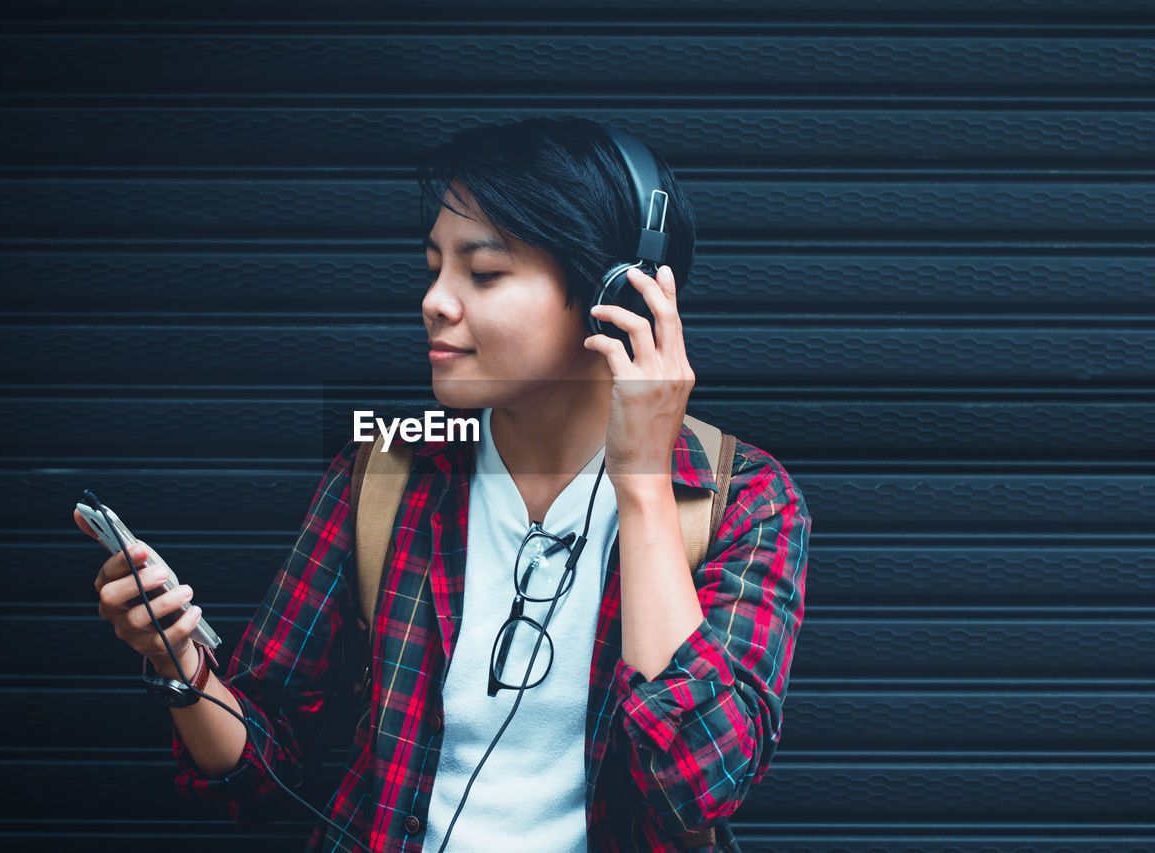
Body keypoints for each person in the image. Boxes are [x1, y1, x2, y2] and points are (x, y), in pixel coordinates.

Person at [81, 117, 811, 852]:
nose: (436, 298)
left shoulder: (740, 498)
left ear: (614, 295)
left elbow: (698, 783)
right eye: (434, 266)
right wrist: (180, 665)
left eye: (483, 272)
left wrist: (646, 484)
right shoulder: (386, 468)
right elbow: (264, 767)